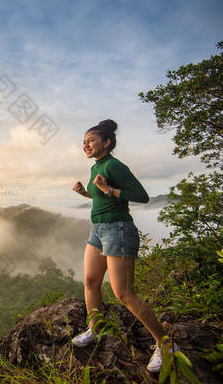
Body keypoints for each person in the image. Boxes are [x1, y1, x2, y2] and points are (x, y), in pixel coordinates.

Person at [71, 119, 178, 373]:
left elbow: (142, 196)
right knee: (90, 281)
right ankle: (96, 328)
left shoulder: (115, 165)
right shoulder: (97, 166)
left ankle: (165, 344)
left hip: (118, 230)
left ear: (106, 143)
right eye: (84, 141)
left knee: (124, 293)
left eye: (91, 141)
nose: (85, 145)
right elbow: (103, 195)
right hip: (98, 229)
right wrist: (87, 194)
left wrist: (110, 189)